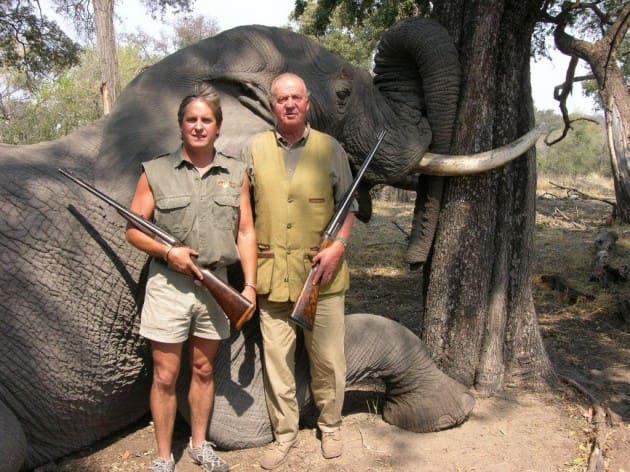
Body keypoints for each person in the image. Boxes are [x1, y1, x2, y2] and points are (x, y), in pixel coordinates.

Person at [126, 85, 257, 472]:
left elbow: (246, 232)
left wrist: (247, 285)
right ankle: (164, 457)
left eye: (206, 120)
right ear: (181, 126)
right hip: (169, 286)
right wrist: (169, 252)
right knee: (165, 375)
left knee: (203, 370)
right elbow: (133, 229)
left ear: (218, 127)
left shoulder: (236, 173)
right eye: (191, 120)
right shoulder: (156, 172)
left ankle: (200, 445)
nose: (199, 127)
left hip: (216, 286)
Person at [241, 72, 356, 470]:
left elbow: (348, 208)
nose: (288, 104)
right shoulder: (253, 149)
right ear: (272, 105)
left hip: (322, 278)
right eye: (281, 98)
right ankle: (284, 434)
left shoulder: (330, 148)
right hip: (272, 278)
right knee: (277, 364)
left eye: (295, 97)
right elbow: (244, 215)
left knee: (327, 360)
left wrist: (338, 247)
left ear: (307, 103)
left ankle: (332, 426)